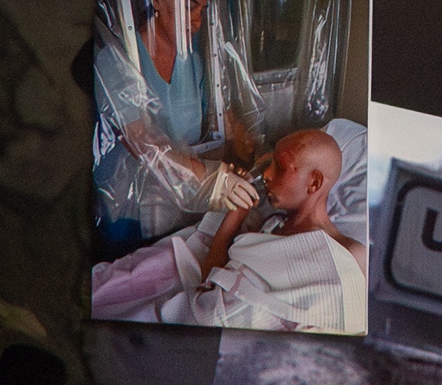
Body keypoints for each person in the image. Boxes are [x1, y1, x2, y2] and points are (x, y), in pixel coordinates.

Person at [93, 0, 266, 249]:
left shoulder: (195, 63)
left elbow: (218, 120)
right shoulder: (116, 62)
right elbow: (142, 140)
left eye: (203, 9)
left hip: (183, 201)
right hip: (130, 211)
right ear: (157, 0)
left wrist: (250, 150)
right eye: (189, 6)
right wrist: (213, 179)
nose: (197, 21)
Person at [90, 127, 365, 330]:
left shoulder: (349, 254)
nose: (267, 174)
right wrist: (236, 213)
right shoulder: (271, 225)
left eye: (280, 168)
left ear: (314, 183)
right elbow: (210, 282)